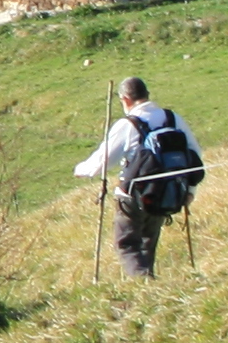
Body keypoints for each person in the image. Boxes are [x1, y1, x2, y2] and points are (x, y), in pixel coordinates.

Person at [76, 75, 203, 277]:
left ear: (125, 100)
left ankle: (143, 283)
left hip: (133, 196)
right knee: (147, 244)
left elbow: (102, 161)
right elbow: (195, 154)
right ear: (147, 95)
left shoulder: (128, 124)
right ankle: (148, 282)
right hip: (168, 193)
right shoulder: (173, 119)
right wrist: (190, 190)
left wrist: (81, 170)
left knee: (126, 243)